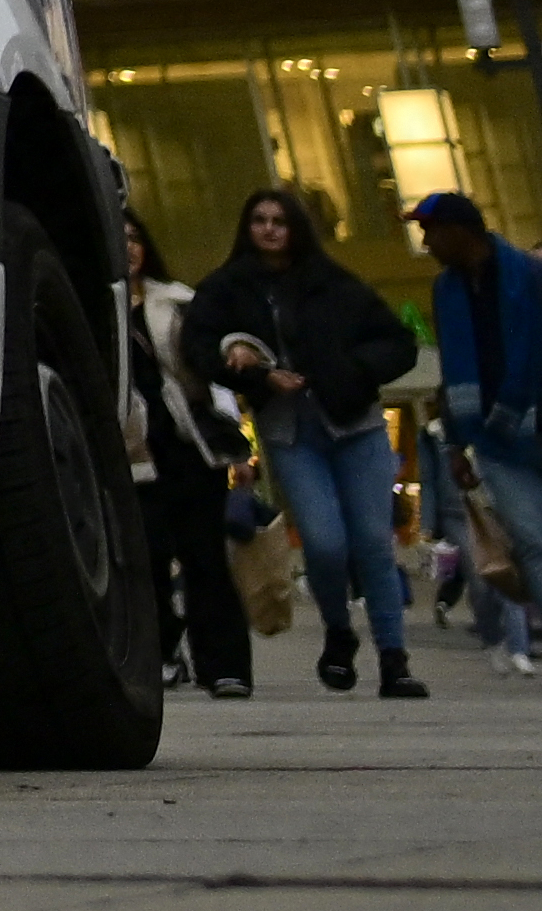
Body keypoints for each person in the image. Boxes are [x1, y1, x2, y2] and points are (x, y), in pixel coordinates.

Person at [196, 181, 432, 703]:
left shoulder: (333, 283)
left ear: (296, 228)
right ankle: (338, 631)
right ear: (247, 228)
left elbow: (397, 343)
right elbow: (200, 344)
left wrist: (352, 370)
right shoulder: (229, 287)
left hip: (357, 426)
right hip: (290, 431)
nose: (270, 230)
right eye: (260, 221)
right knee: (324, 543)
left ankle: (394, 660)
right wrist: (255, 376)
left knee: (373, 543)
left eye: (279, 221)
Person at [121, 218, 250, 702]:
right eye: (116, 237)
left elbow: (211, 368)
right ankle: (163, 650)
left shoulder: (177, 300)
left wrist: (232, 435)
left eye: (134, 237)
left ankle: (225, 667)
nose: (127, 247)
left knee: (205, 560)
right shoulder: (84, 306)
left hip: (187, 443)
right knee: (146, 559)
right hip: (130, 451)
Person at [420, 193, 540, 676]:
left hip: (529, 419)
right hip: (494, 441)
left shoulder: (530, 276)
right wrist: (453, 444)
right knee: (532, 542)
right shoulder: (446, 290)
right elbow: (452, 370)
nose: (426, 243)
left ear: (459, 231)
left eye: (431, 231)